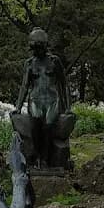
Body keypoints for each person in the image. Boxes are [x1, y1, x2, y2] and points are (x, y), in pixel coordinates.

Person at [12, 28, 73, 169]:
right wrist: (18, 107)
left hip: (52, 100)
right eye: (34, 48)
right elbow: (24, 86)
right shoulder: (29, 63)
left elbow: (64, 85)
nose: (36, 51)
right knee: (35, 126)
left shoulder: (54, 61)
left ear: (44, 46)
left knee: (48, 127)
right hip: (35, 100)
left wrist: (68, 107)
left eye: (39, 48)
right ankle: (37, 157)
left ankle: (45, 159)